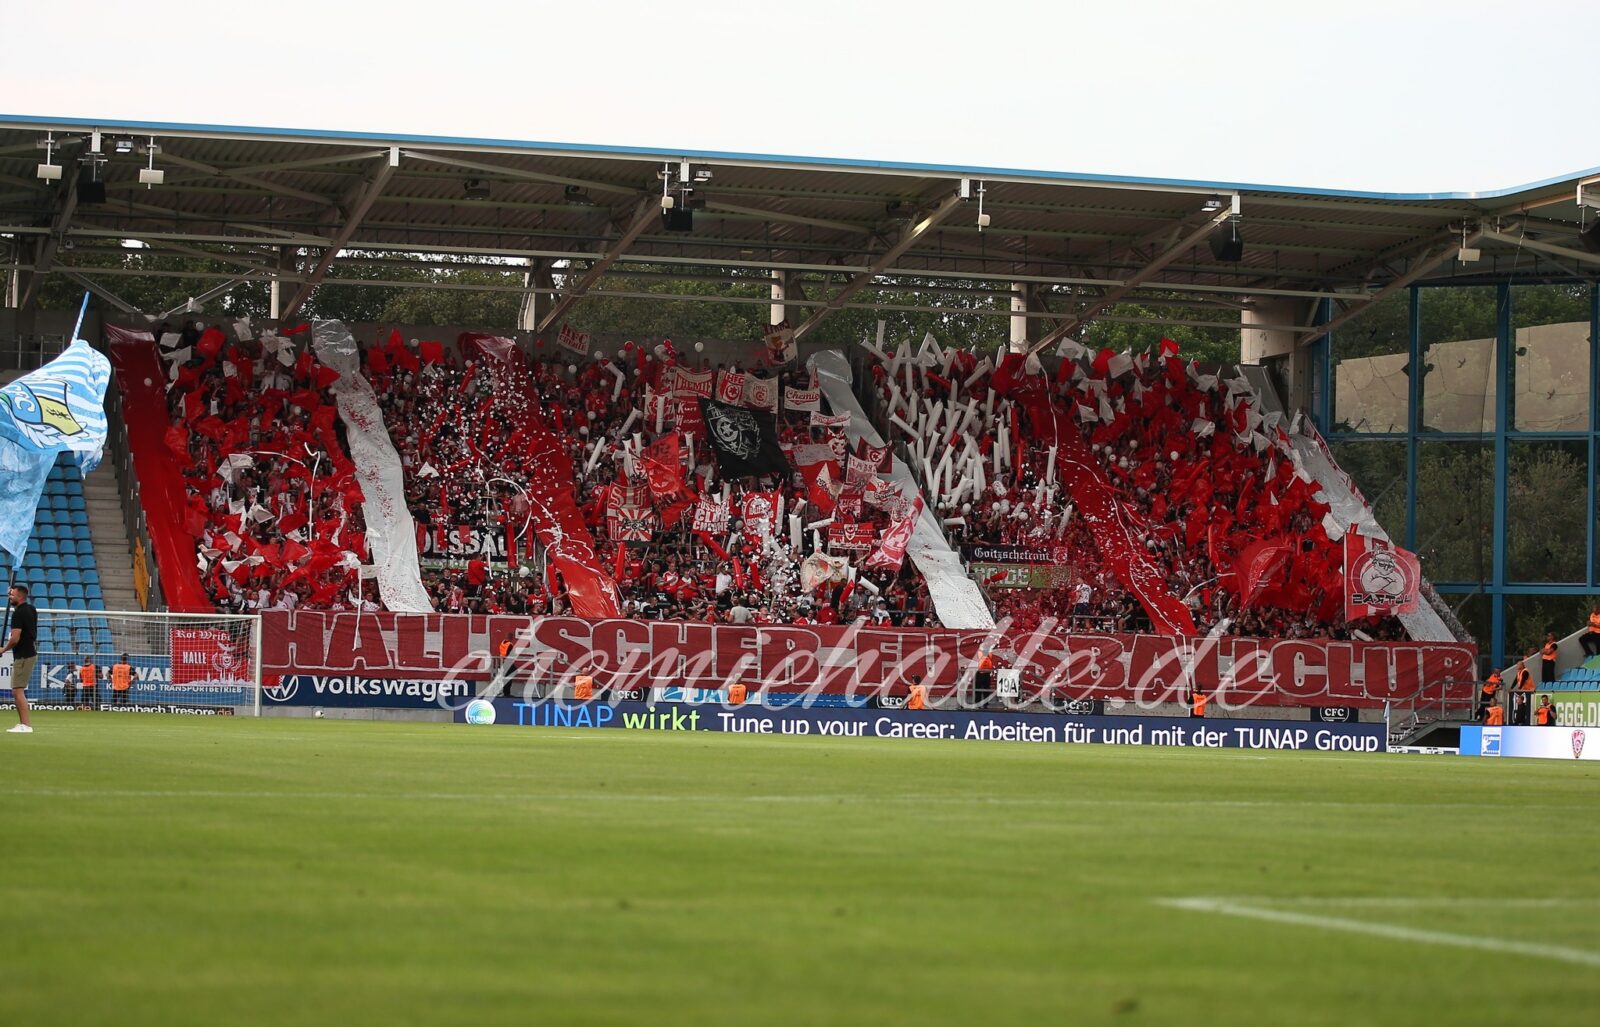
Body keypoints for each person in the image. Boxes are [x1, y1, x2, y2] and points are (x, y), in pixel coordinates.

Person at [2, 584, 38, 733]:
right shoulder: (31, 609)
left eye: (12, 595)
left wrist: (3, 649)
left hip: (23, 655)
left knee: (17, 691)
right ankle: (23, 724)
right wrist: (11, 592)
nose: (10, 597)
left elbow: (15, 638)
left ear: (21, 596)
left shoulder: (18, 613)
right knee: (17, 690)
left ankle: (25, 725)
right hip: (28, 652)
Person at [1512, 655, 1535, 727]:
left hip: (1529, 691)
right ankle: (1519, 720)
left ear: (1522, 665)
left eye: (1518, 664)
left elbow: (1522, 681)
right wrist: (1512, 688)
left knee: (1525, 707)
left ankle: (1524, 721)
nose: (1517, 666)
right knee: (1520, 706)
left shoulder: (1525, 671)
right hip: (1523, 691)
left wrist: (1519, 689)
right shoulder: (1519, 672)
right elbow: (1516, 680)